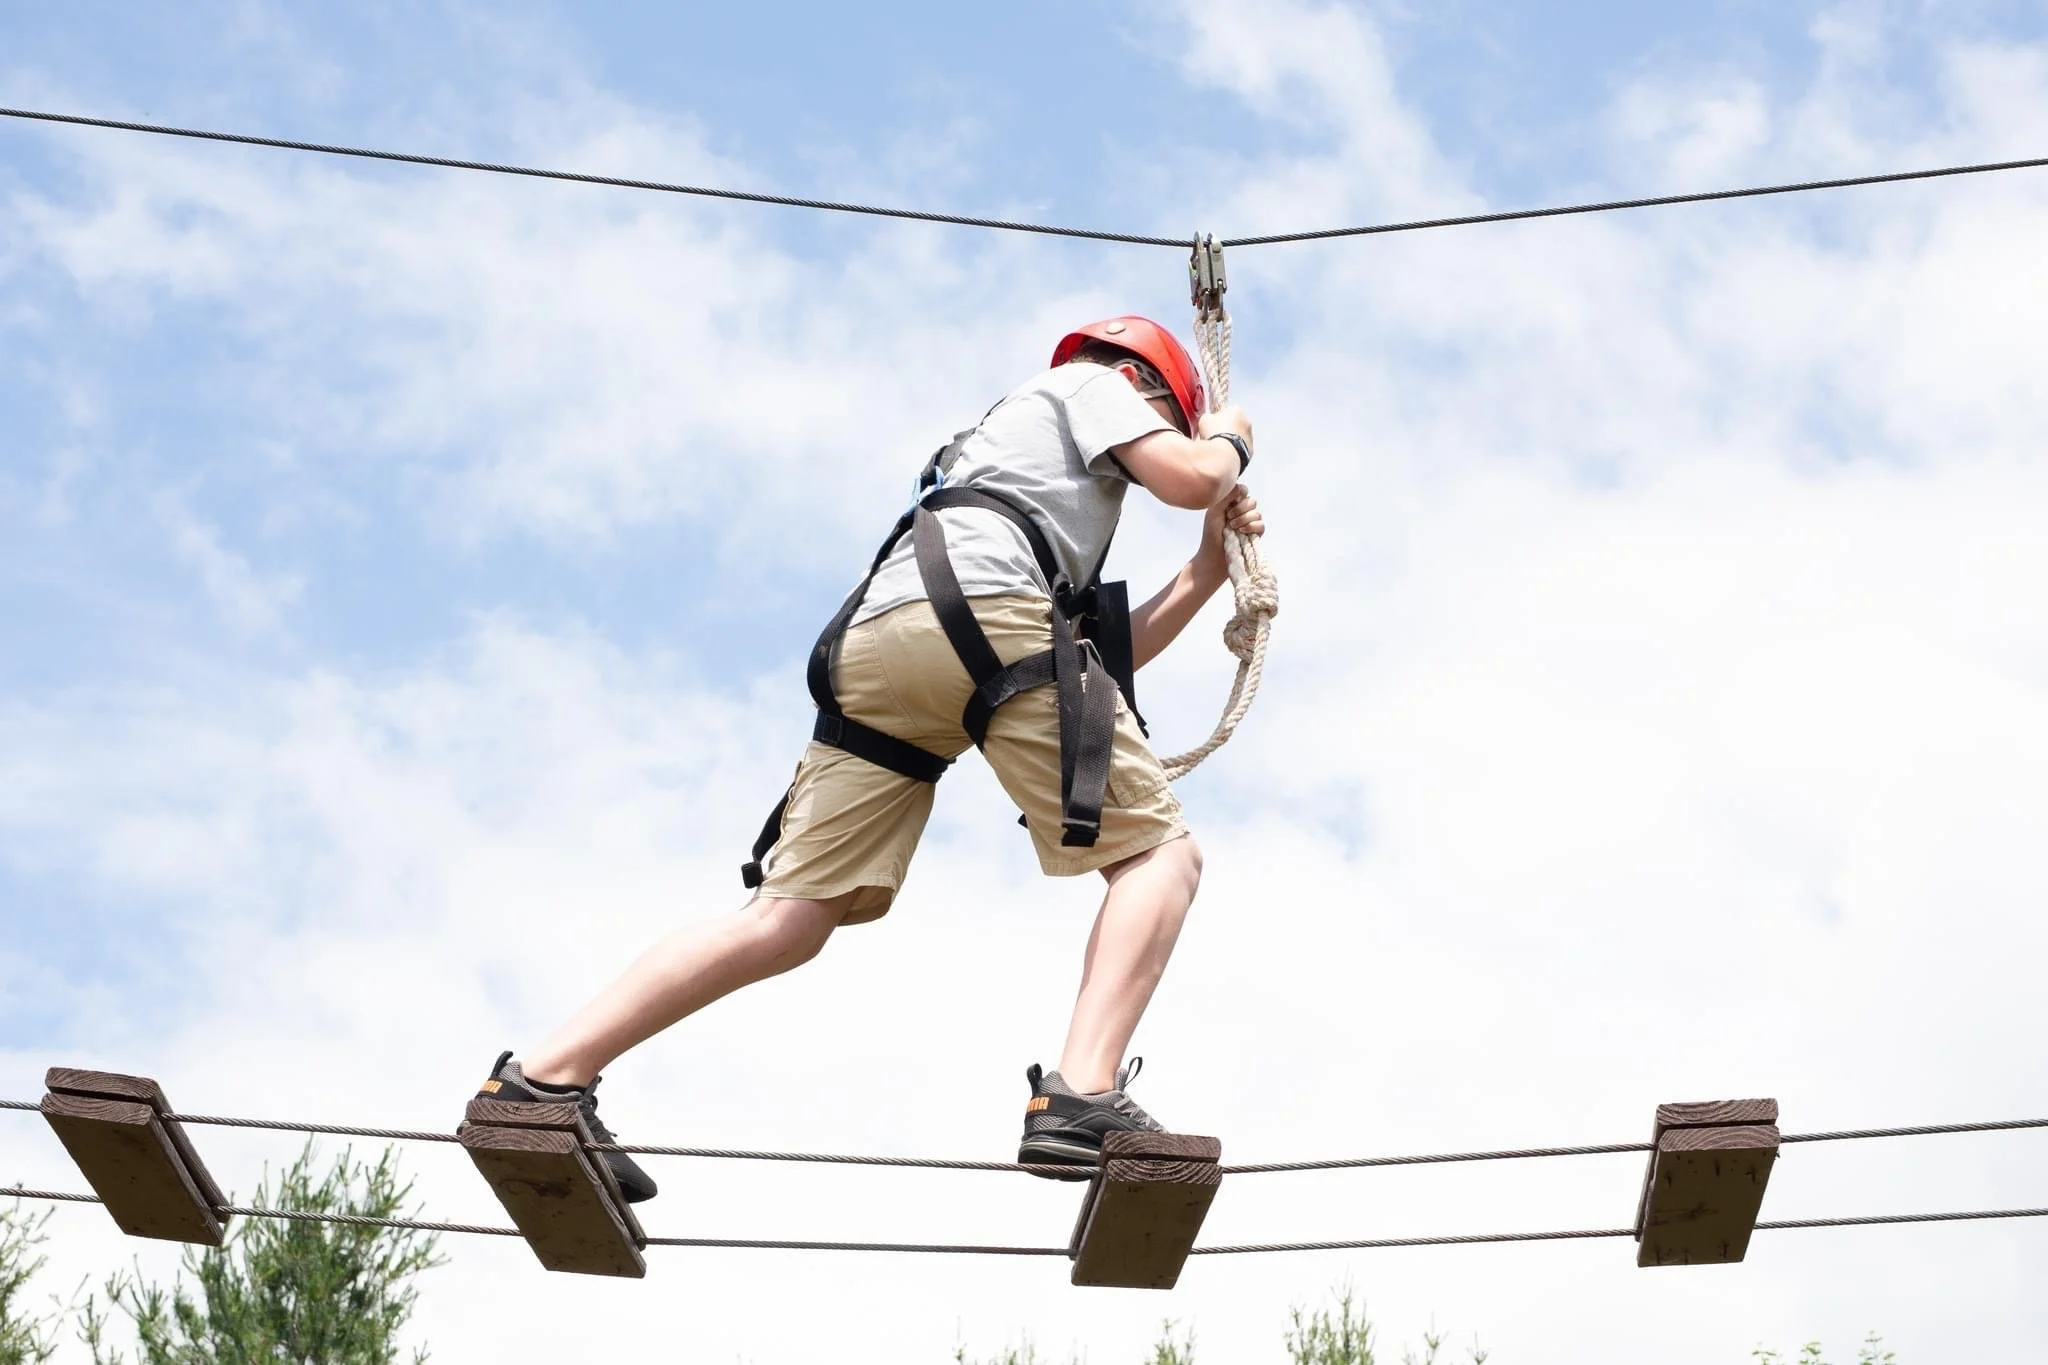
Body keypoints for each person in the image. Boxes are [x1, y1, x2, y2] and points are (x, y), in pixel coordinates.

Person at [475, 316, 1261, 1202]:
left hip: (896, 641)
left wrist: (1204, 572)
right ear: (1150, 388)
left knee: (788, 918)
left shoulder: (1023, 482)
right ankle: (1083, 1090)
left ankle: (541, 1079)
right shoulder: (1092, 386)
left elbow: (1094, 663)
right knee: (1161, 856)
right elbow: (1194, 478)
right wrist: (1229, 441)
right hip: (977, 617)